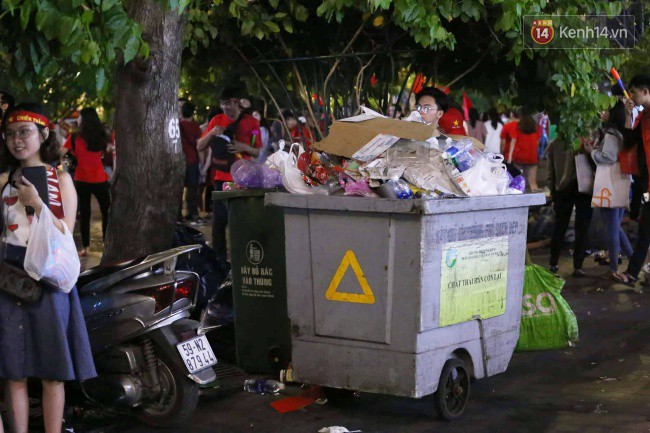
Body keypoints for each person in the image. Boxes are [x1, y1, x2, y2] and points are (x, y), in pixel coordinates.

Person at [0, 103, 96, 433]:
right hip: (9, 282)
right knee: (14, 372)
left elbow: (65, 236)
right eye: (10, 133)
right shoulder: (1, 180)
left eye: (24, 132)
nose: (17, 140)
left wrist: (37, 204)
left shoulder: (60, 180)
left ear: (43, 134)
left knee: (53, 373)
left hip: (49, 281)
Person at [196, 85, 261, 266]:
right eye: (222, 104)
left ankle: (243, 263)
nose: (225, 107)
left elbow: (256, 151)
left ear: (236, 102)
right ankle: (220, 264)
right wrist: (211, 133)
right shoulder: (217, 120)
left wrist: (243, 147)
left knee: (240, 225)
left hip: (243, 181)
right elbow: (200, 146)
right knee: (218, 224)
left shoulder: (251, 122)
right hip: (220, 181)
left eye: (227, 103)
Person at [584, 102, 633, 282]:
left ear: (612, 114)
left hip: (609, 186)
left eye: (606, 110)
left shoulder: (612, 135)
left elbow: (608, 157)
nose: (602, 112)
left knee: (612, 229)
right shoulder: (619, 133)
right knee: (616, 227)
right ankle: (635, 260)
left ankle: (614, 268)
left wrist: (592, 151)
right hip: (619, 184)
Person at [61, 107, 111, 257]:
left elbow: (61, 153)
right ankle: (106, 243)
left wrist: (63, 166)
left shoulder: (74, 137)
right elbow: (107, 149)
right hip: (99, 179)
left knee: (85, 213)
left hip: (81, 179)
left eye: (80, 117)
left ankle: (85, 248)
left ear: (84, 119)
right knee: (106, 211)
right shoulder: (102, 136)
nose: (78, 120)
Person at [547, 135, 593, 277]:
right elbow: (594, 164)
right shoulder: (584, 140)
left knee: (560, 226)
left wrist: (553, 194)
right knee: (582, 227)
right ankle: (578, 266)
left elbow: (551, 172)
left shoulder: (554, 144)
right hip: (583, 188)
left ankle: (553, 263)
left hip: (562, 189)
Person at [621, 74, 650, 284]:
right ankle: (632, 273)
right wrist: (628, 114)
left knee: (646, 229)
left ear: (646, 91)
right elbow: (628, 142)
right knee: (645, 229)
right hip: (647, 185)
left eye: (634, 92)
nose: (632, 96)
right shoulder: (642, 117)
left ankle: (632, 273)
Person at [179, 100, 203, 225]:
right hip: (193, 161)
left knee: (178, 189)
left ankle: (178, 215)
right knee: (192, 189)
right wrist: (202, 163)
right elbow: (199, 146)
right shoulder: (195, 126)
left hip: (180, 162)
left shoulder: (177, 125)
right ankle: (192, 213)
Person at [507, 109, 541, 191]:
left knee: (518, 181)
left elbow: (513, 142)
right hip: (532, 157)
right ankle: (536, 202)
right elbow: (537, 142)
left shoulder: (517, 126)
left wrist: (510, 157)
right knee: (533, 182)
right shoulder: (535, 127)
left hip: (519, 157)